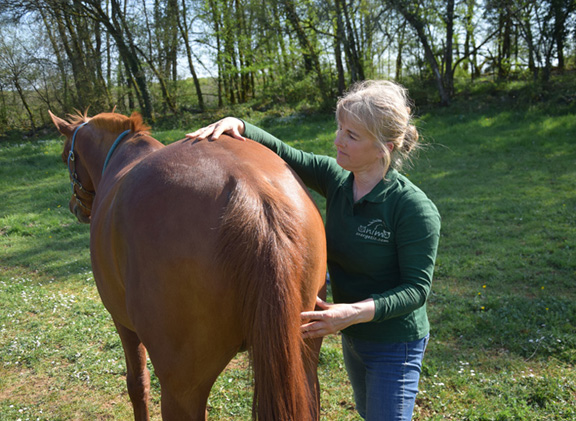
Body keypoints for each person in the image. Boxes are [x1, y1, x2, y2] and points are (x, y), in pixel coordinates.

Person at [186, 80, 441, 421]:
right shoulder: (337, 179)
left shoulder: (412, 209)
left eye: (352, 135)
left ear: (385, 147)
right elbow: (288, 153)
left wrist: (350, 313)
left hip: (395, 344)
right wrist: (240, 124)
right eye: (339, 128)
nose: (338, 140)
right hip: (353, 337)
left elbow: (416, 290)